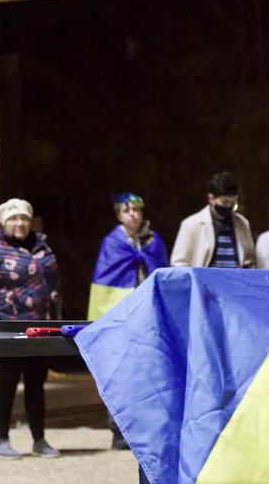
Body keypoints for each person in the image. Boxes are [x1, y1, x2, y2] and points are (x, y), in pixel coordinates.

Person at [0, 199, 60, 460]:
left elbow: (54, 293)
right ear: (3, 222)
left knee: (36, 384)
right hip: (7, 327)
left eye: (24, 218)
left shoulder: (43, 249)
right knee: (7, 382)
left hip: (41, 327)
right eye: (13, 218)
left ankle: (39, 439)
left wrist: (56, 325)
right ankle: (1, 439)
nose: (19, 223)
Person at [87, 193, 167, 456]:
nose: (132, 214)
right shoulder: (112, 244)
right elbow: (104, 282)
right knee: (119, 372)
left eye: (136, 210)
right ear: (119, 215)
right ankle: (118, 431)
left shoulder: (154, 242)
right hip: (120, 317)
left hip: (150, 316)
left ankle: (149, 429)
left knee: (152, 371)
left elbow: (163, 273)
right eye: (126, 210)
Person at [170, 171, 256, 269]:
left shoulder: (242, 224)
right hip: (204, 282)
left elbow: (251, 258)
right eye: (225, 202)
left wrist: (248, 265)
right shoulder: (191, 224)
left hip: (234, 282)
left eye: (233, 203)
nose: (229, 206)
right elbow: (179, 263)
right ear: (211, 198)